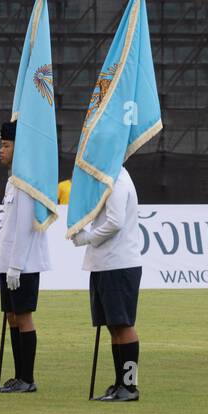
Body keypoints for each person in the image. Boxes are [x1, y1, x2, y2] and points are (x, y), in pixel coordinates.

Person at [72, 166, 142, 401]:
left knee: (123, 325)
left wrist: (87, 238)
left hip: (118, 262)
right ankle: (120, 382)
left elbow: (115, 222)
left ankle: (130, 386)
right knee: (113, 326)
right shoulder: (107, 178)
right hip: (105, 263)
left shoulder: (118, 179)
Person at [0, 121, 50, 393]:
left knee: (24, 317)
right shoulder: (12, 182)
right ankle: (18, 376)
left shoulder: (26, 183)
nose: (1, 151)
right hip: (9, 260)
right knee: (12, 316)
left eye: (6, 146)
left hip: (23, 263)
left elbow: (26, 226)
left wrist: (15, 266)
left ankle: (27, 378)